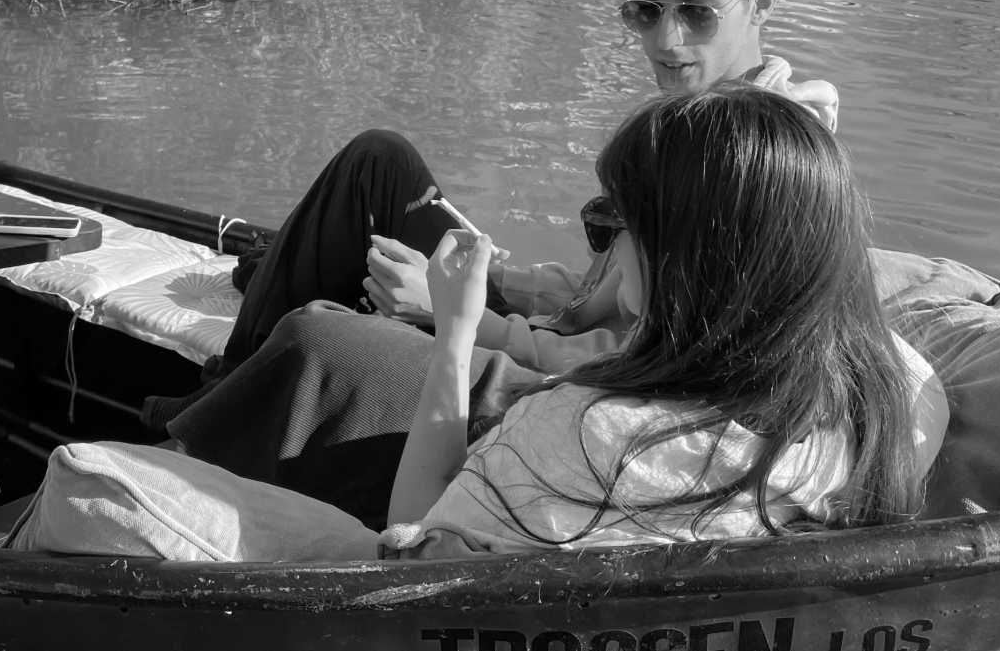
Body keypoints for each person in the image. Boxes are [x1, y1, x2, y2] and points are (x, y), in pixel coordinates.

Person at [140, 0, 838, 433]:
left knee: (323, 329)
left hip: (575, 383)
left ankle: (214, 414)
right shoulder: (693, 121)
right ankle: (225, 386)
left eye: (698, 11)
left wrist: (454, 312)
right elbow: (604, 294)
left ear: (762, 3)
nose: (667, 40)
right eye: (645, 11)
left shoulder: (755, 160)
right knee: (378, 165)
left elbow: (650, 361)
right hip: (548, 332)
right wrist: (500, 276)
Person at [381, 87, 945, 557]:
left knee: (329, 336)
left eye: (614, 222)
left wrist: (455, 332)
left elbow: (416, 538)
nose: (609, 244)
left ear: (677, 259)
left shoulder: (582, 432)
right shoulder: (899, 398)